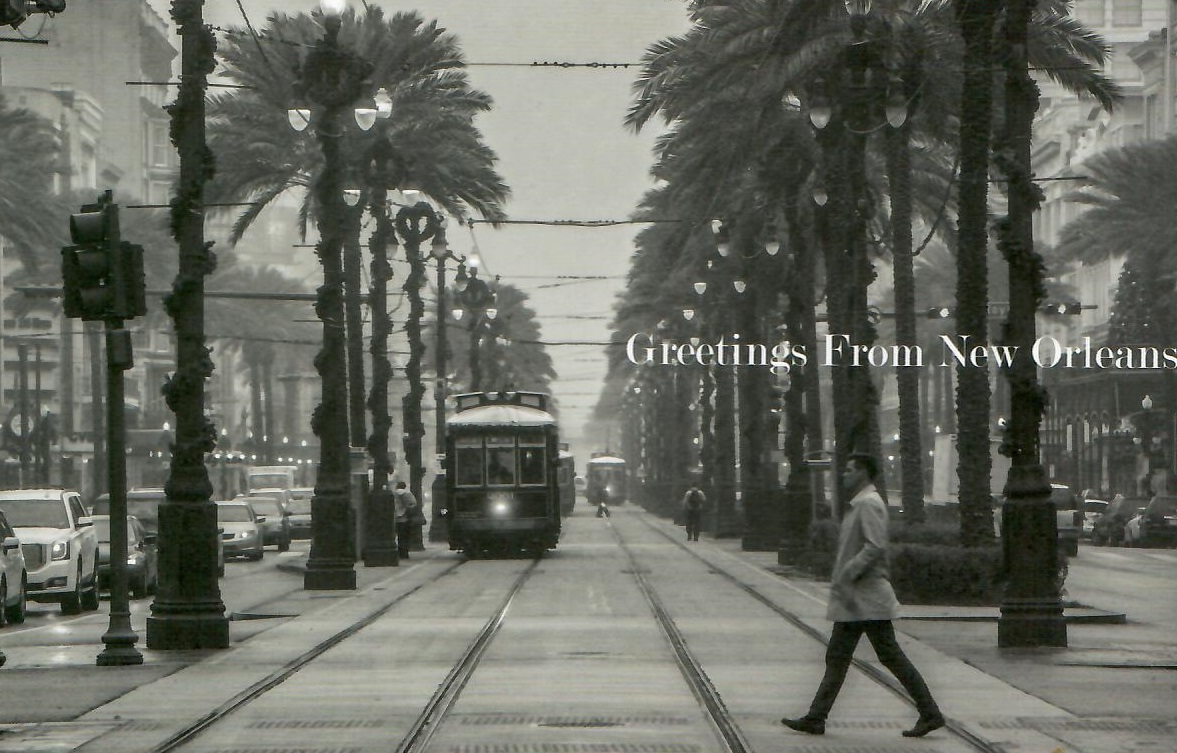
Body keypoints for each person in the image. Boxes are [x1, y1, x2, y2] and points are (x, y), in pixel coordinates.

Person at [781, 452, 944, 739]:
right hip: (856, 599)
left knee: (887, 656)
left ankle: (930, 713)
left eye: (849, 469)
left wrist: (847, 573)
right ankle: (817, 717)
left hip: (866, 597)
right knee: (840, 656)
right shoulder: (860, 504)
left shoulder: (869, 504)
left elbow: (874, 546)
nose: (843, 474)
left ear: (864, 474)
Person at [392, 481, 418, 559]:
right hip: (405, 518)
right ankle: (404, 553)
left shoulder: (393, 494)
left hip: (395, 518)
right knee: (404, 537)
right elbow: (413, 504)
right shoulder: (407, 494)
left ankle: (398, 552)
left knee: (396, 536)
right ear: (404, 486)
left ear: (397, 486)